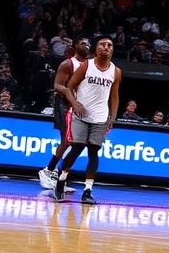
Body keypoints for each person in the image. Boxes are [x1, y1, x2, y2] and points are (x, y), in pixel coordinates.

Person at [53, 37, 122, 204]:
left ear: (112, 50)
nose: (106, 47)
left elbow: (114, 97)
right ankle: (62, 178)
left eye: (109, 45)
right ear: (96, 48)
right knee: (76, 148)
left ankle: (88, 190)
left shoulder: (116, 71)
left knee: (93, 152)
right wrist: (75, 104)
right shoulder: (87, 65)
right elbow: (69, 86)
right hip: (81, 116)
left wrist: (112, 118)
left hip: (100, 117)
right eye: (102, 44)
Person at [40, 37, 89, 190]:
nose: (86, 46)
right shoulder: (68, 63)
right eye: (83, 43)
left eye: (88, 44)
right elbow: (57, 86)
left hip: (79, 105)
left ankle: (60, 177)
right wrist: (69, 94)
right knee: (67, 140)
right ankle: (48, 170)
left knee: (76, 143)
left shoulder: (89, 66)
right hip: (64, 104)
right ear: (75, 46)